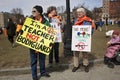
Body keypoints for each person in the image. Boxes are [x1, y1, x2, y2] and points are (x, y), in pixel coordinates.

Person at [30, 5, 51, 80]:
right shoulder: (30, 21)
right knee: (33, 61)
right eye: (32, 11)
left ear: (39, 12)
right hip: (32, 44)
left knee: (42, 59)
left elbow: (50, 32)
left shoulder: (45, 22)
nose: (32, 12)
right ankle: (34, 76)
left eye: (34, 11)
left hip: (42, 44)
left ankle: (43, 72)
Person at [72, 8, 95, 72]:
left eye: (80, 12)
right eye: (78, 12)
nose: (79, 13)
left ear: (84, 13)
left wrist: (88, 36)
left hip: (85, 39)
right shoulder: (76, 20)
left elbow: (92, 30)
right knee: (76, 54)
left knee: (85, 53)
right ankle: (76, 65)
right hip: (77, 39)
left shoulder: (88, 20)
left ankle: (85, 65)